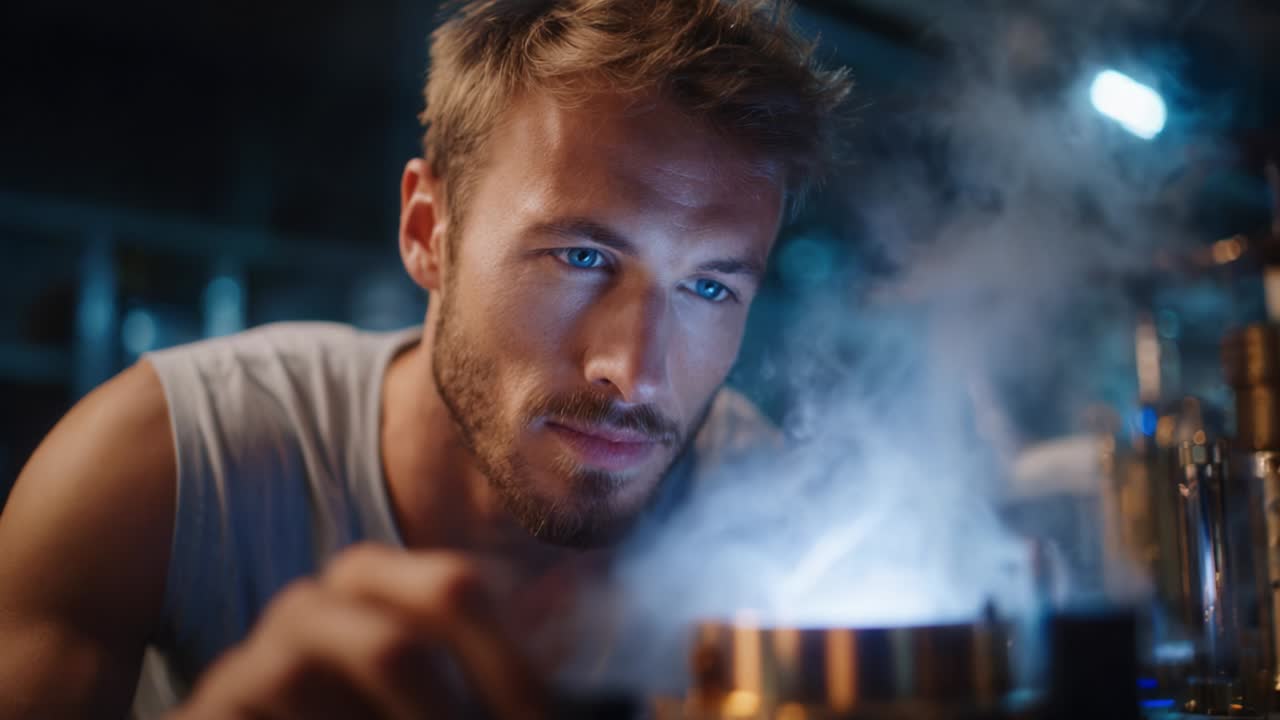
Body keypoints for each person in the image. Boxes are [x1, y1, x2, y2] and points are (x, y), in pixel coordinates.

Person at [0, 0, 851, 717]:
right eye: (581, 257)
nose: (634, 373)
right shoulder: (167, 465)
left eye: (708, 287)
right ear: (426, 231)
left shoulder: (774, 520)